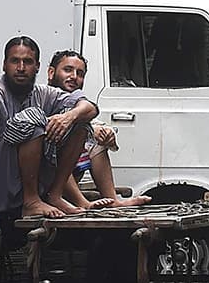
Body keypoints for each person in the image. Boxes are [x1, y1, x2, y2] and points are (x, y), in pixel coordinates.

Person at [0, 36, 95, 221]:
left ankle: (56, 195)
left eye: (27, 62)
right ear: (4, 65)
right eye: (14, 61)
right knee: (34, 117)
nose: (20, 68)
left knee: (81, 123)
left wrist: (68, 117)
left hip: (24, 180)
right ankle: (31, 201)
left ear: (37, 66)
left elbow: (90, 107)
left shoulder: (43, 93)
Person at [46, 50, 149, 210]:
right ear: (51, 72)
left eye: (79, 73)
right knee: (57, 149)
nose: (74, 77)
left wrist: (106, 135)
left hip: (70, 175)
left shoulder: (78, 103)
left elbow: (93, 114)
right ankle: (83, 203)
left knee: (95, 139)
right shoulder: (44, 96)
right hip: (46, 176)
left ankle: (112, 200)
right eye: (68, 70)